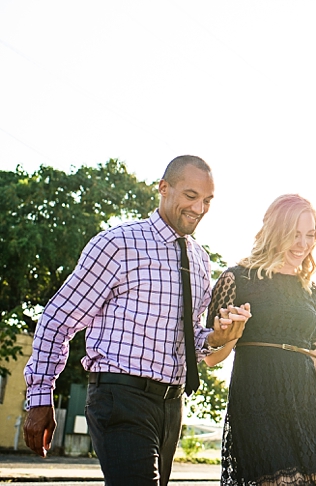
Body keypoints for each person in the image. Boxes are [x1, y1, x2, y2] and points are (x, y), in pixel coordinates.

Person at [23, 155, 252, 486]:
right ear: (163, 188)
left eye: (207, 201)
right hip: (120, 396)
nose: (199, 209)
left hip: (172, 404)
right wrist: (40, 397)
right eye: (191, 196)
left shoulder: (200, 260)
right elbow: (58, 319)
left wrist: (218, 337)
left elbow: (192, 342)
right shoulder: (118, 244)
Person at [203, 193, 316, 486]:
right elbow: (208, 355)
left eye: (310, 235)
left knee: (309, 480)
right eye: (294, 234)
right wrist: (230, 334)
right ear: (275, 231)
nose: (303, 244)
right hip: (257, 403)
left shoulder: (313, 294)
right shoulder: (237, 279)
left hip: (303, 406)